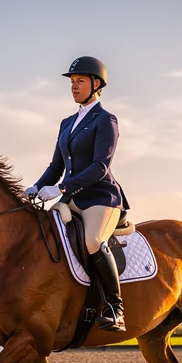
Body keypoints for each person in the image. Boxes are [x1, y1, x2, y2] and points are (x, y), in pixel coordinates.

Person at [25, 56, 128, 332]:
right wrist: (36, 187)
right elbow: (56, 167)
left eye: (80, 81)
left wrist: (60, 189)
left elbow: (100, 166)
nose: (74, 86)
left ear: (96, 84)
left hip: (100, 198)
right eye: (72, 82)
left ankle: (115, 308)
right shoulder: (67, 123)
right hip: (71, 199)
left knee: (93, 241)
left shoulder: (106, 120)